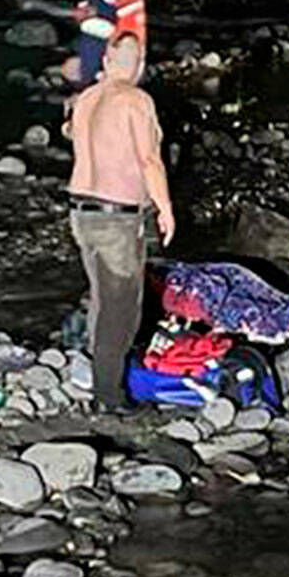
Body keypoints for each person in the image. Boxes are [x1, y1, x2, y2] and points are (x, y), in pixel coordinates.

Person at [64, 33, 175, 413]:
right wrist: (165, 207)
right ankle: (109, 398)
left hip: (81, 211)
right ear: (140, 65)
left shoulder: (87, 99)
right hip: (116, 218)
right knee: (122, 309)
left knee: (100, 298)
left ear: (107, 63)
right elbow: (149, 160)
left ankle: (99, 378)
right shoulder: (136, 100)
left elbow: (73, 136)